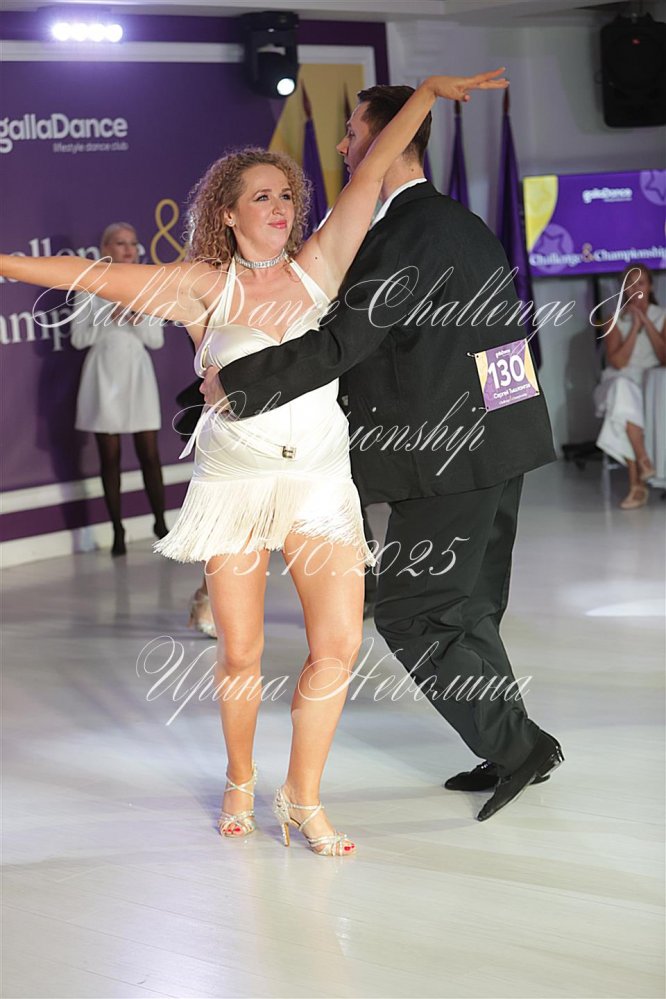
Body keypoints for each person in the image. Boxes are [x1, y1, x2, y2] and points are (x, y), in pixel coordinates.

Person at [0, 70, 507, 854]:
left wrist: (430, 93)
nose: (281, 206)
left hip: (319, 485)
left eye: (287, 196)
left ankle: (302, 796)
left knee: (337, 646)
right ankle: (241, 776)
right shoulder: (200, 288)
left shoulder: (320, 266)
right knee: (241, 651)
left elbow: (373, 168)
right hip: (235, 487)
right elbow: (88, 275)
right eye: (262, 196)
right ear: (229, 214)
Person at [204, 84, 564, 823]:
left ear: (387, 137)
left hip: (451, 457)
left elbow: (344, 343)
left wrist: (236, 384)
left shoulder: (404, 233)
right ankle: (513, 746)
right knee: (468, 608)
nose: (342, 146)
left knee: (414, 613)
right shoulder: (456, 221)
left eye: (351, 132)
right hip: (498, 443)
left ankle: (521, 746)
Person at [71, 222, 168, 555]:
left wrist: (137, 319)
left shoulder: (147, 284)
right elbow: (78, 338)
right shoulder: (90, 286)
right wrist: (110, 318)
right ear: (105, 249)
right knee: (109, 456)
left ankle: (161, 524)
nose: (128, 249)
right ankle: (117, 528)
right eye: (120, 242)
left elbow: (155, 340)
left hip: (137, 374)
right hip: (104, 374)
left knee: (149, 453)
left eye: (132, 242)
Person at [595, 264, 666, 510]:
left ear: (650, 286)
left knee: (624, 409)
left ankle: (638, 484)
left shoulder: (661, 315)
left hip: (650, 385)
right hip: (616, 381)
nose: (636, 290)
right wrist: (634, 327)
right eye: (630, 285)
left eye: (641, 283)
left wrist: (645, 321)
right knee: (621, 390)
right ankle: (643, 463)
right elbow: (618, 363)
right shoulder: (612, 319)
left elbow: (664, 357)